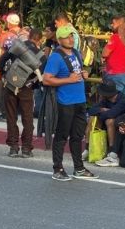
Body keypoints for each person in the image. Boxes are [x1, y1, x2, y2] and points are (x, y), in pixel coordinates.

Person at [42, 25, 97, 181]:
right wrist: (68, 79)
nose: (70, 39)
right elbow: (46, 79)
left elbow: (77, 72)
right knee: (61, 136)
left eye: (72, 36)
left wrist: (84, 74)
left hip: (80, 100)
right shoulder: (56, 57)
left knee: (77, 136)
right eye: (67, 37)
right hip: (65, 102)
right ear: (59, 40)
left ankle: (78, 168)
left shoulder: (76, 53)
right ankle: (57, 168)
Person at [0, 28, 45, 158]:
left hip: (10, 85)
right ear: (39, 39)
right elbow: (42, 75)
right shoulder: (41, 55)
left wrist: (3, 74)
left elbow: (1, 61)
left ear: (29, 36)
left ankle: (13, 147)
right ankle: (26, 148)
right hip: (26, 88)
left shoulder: (18, 46)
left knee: (11, 117)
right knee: (27, 118)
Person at [89, 81, 125, 165]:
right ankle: (89, 148)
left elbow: (111, 114)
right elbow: (91, 110)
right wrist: (102, 110)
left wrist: (102, 114)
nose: (100, 95)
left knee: (110, 120)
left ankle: (112, 152)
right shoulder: (106, 100)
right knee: (92, 118)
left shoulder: (124, 100)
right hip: (112, 127)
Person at [101, 13, 125, 96]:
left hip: (115, 73)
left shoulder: (115, 37)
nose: (112, 25)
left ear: (120, 23)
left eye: (113, 23)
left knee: (114, 100)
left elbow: (105, 53)